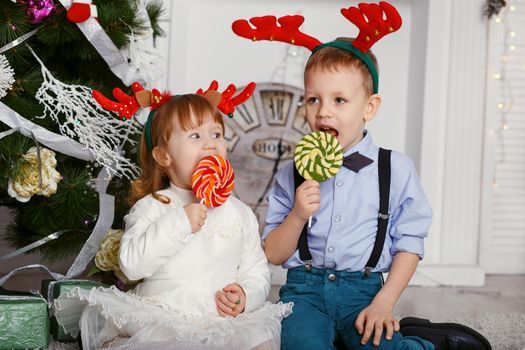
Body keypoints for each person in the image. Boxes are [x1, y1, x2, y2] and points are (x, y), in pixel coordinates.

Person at [232, 2, 435, 349]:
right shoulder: (292, 172)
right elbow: (274, 254)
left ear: (369, 107)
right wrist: (297, 214)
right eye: (313, 99)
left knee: (382, 346)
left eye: (339, 100)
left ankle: (427, 342)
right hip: (304, 291)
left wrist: (384, 303)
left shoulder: (395, 169)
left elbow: (409, 244)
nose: (323, 111)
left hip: (365, 290)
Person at [54, 91, 292, 350]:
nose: (211, 144)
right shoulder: (152, 207)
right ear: (163, 156)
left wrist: (245, 296)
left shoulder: (239, 212)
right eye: (195, 136)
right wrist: (179, 222)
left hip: (221, 322)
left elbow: (256, 270)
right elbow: (133, 265)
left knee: (260, 341)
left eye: (216, 134)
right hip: (162, 317)